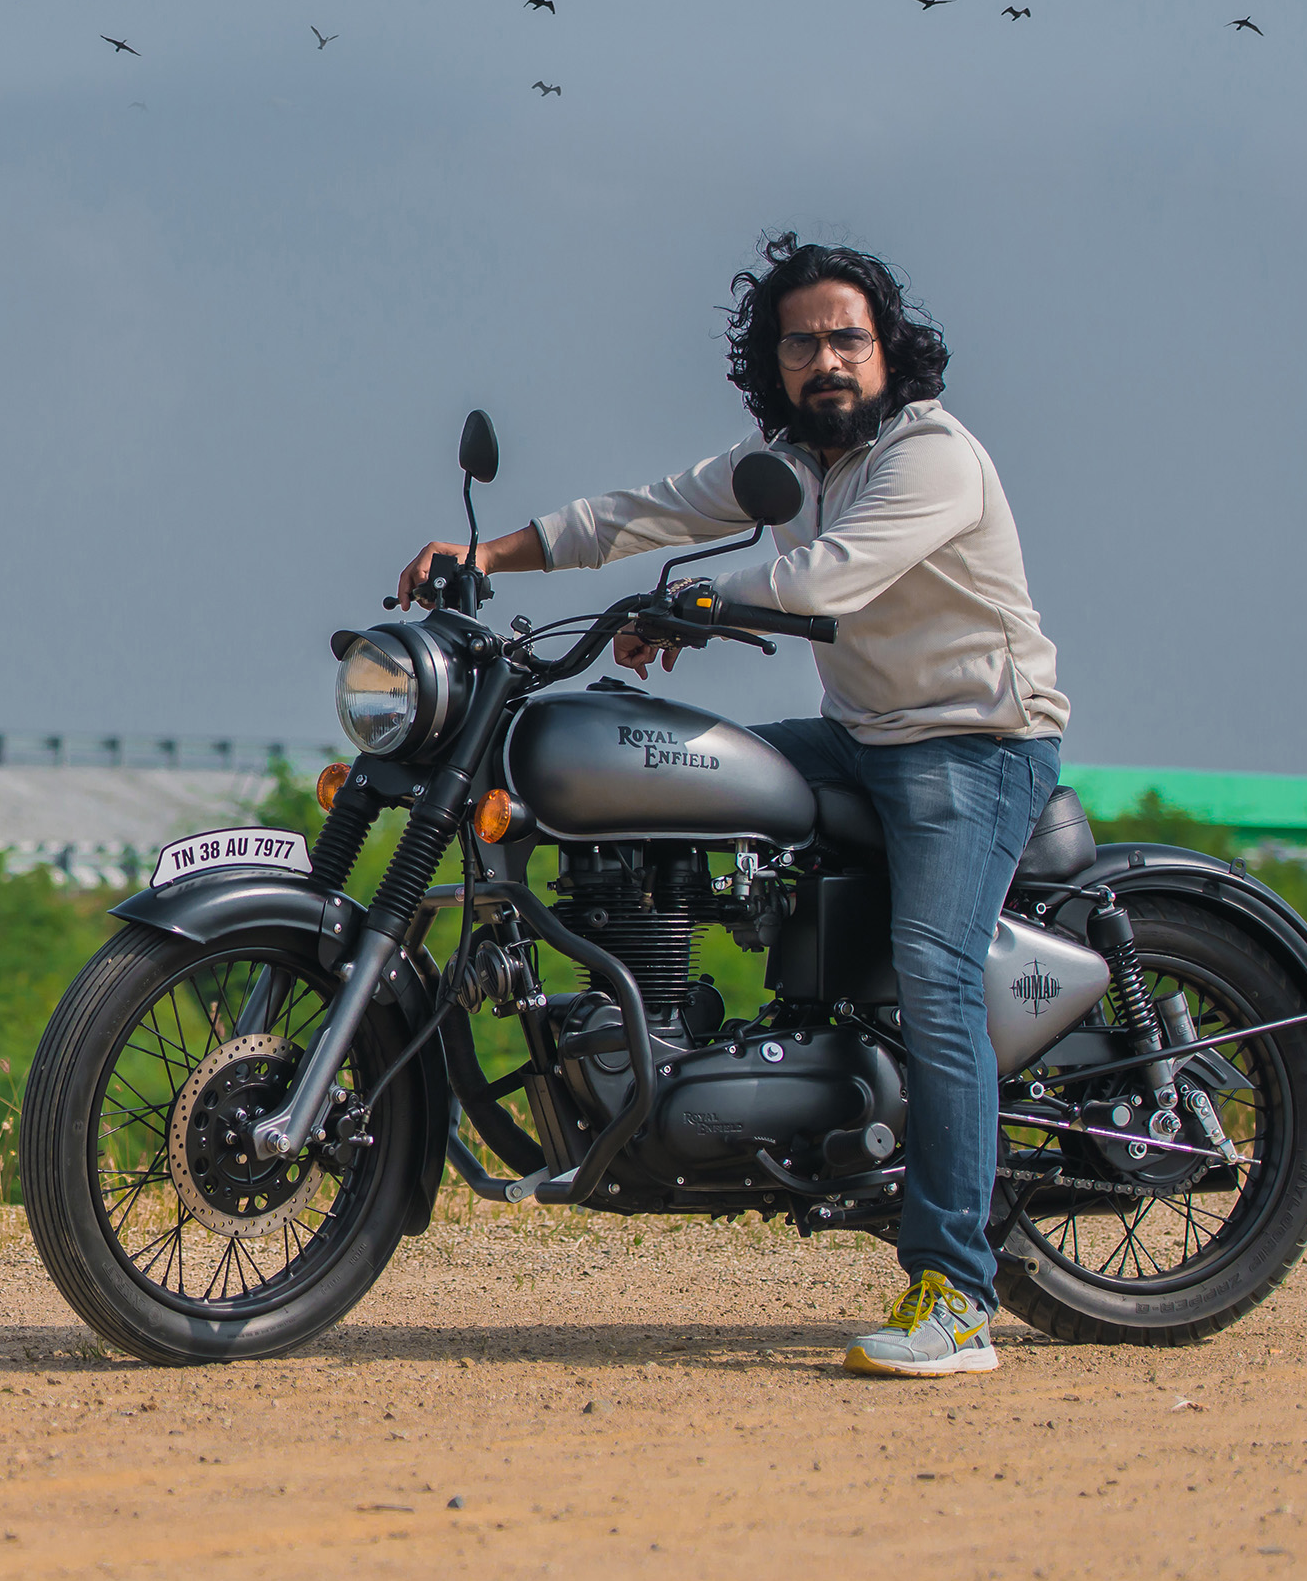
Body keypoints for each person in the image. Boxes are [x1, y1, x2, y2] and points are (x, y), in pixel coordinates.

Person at [400, 233, 1066, 1379]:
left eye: (846, 339)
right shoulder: (791, 463)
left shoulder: (932, 456)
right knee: (665, 777)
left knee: (933, 974)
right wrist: (487, 554)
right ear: (774, 363)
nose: (826, 361)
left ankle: (956, 1293)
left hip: (974, 742)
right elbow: (640, 514)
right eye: (801, 344)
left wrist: (692, 603)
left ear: (888, 348)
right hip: (861, 736)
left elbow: (829, 577)